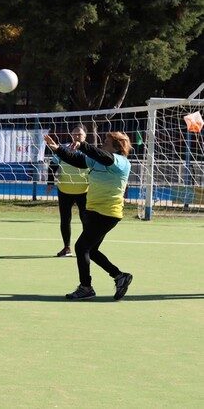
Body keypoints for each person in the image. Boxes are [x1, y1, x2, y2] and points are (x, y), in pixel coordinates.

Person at [44, 131, 134, 301]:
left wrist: (83, 144)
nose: (102, 145)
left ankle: (86, 287)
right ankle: (119, 276)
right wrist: (57, 149)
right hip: (95, 211)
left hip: (107, 213)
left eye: (106, 143)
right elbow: (78, 160)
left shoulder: (121, 162)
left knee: (81, 247)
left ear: (117, 147)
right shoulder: (99, 160)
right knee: (90, 250)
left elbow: (103, 156)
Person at [46, 125, 89, 257]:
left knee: (86, 220)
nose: (76, 136)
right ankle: (67, 248)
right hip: (64, 190)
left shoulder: (89, 151)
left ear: (85, 136)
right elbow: (52, 166)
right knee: (65, 220)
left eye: (79, 134)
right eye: (74, 134)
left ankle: (87, 248)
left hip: (84, 191)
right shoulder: (63, 148)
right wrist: (50, 182)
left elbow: (96, 170)